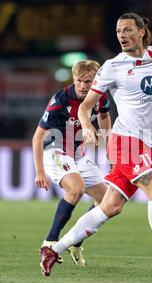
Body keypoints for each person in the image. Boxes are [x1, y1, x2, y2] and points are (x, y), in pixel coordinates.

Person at [40, 12, 152, 278]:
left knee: (110, 207)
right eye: (118, 31)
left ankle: (54, 249)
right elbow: (86, 107)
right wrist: (89, 126)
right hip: (125, 142)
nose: (122, 36)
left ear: (141, 31)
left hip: (146, 144)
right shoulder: (112, 67)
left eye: (127, 30)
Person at [32, 60, 111, 266]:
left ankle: (75, 242)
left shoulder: (100, 95)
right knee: (76, 189)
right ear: (73, 79)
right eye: (80, 81)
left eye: (89, 81)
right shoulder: (60, 99)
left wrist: (107, 144)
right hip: (56, 151)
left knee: (107, 200)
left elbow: (104, 115)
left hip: (79, 155)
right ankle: (49, 242)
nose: (84, 86)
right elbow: (38, 136)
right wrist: (39, 171)